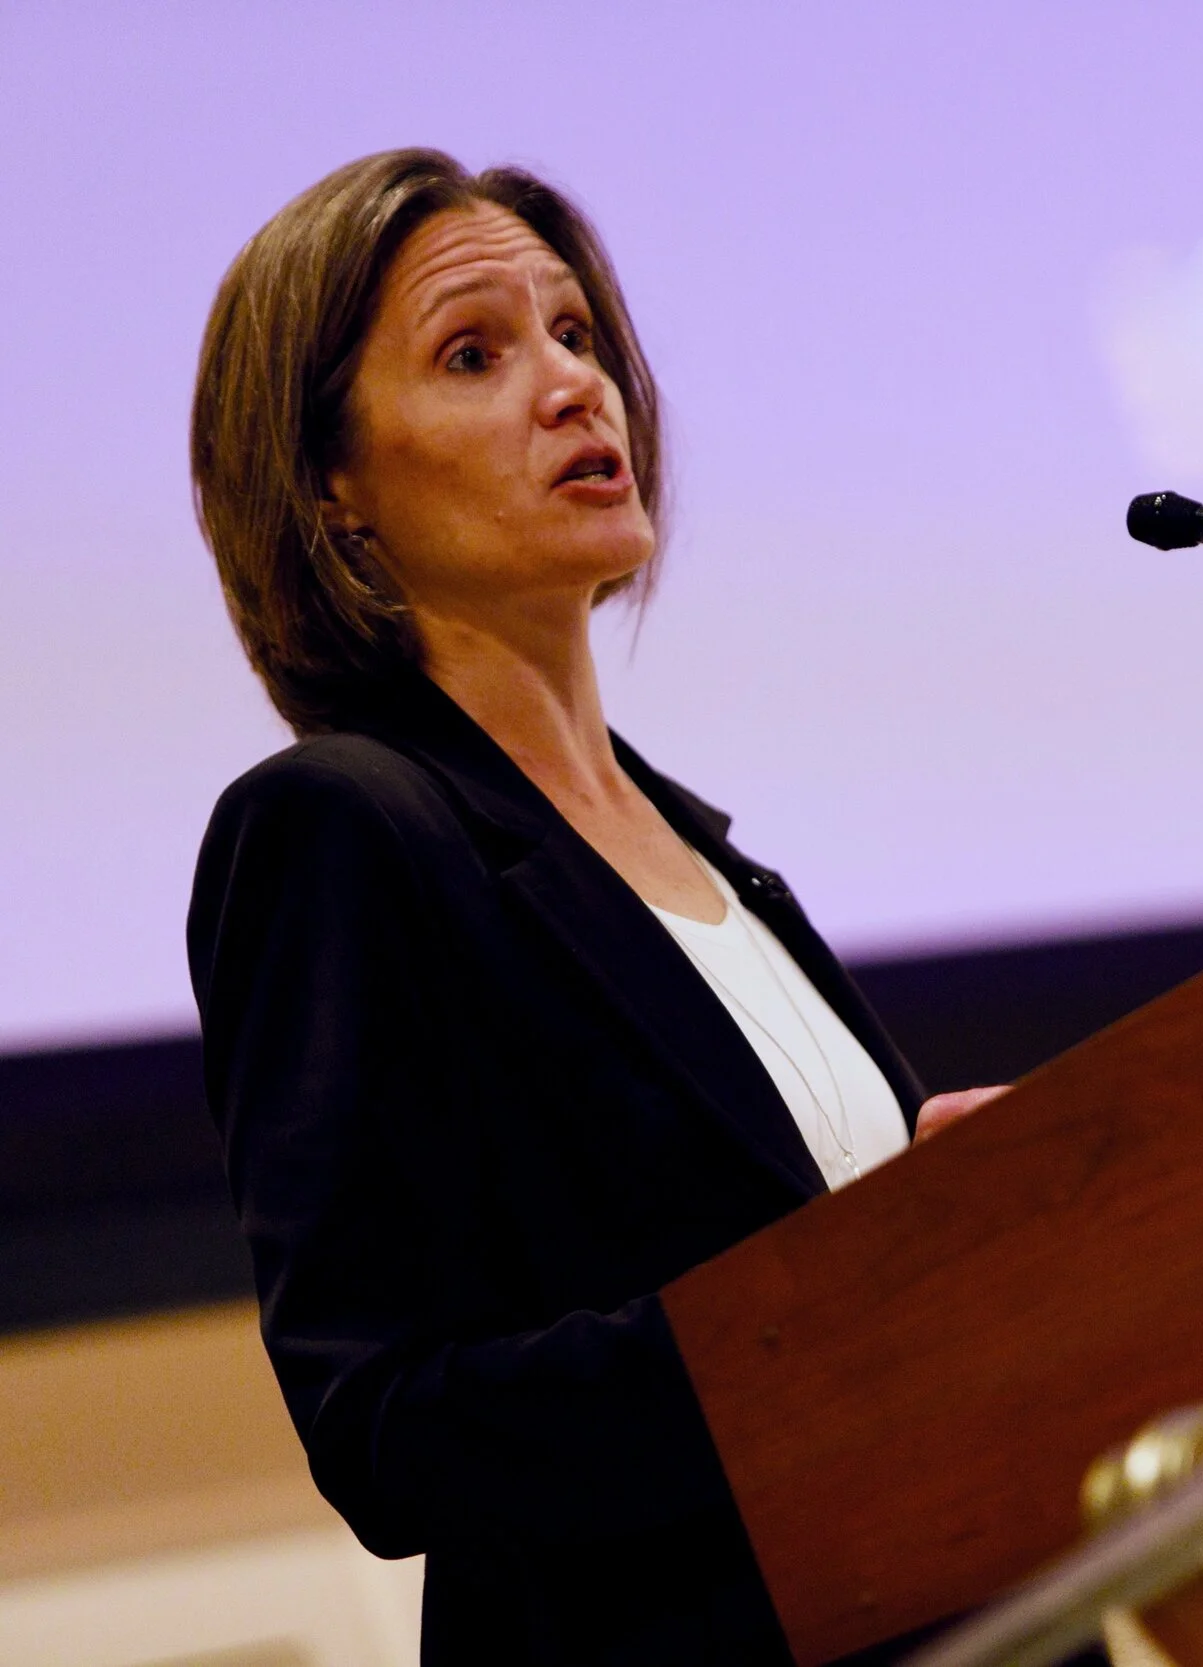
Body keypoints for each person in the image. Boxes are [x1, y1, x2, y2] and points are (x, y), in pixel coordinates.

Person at [186, 148, 1001, 1665]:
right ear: (333, 490)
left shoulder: (699, 843)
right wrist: (842, 1298)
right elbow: (385, 1427)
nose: (573, 387)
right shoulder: (339, 830)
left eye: (577, 334)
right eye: (475, 353)